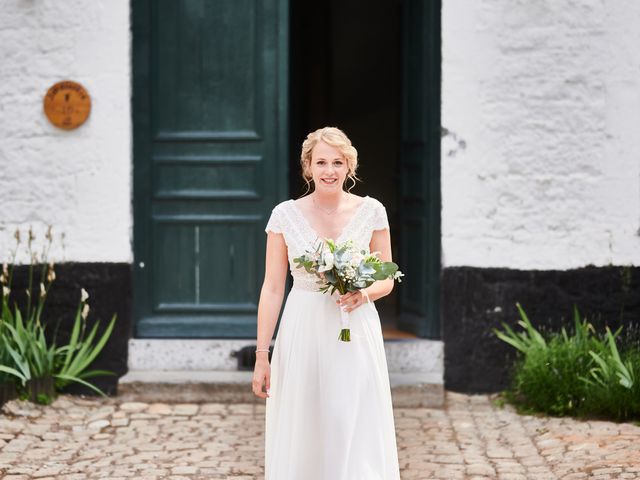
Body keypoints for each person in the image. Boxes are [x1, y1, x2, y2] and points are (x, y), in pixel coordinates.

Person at [253, 126, 401, 479]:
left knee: (350, 412)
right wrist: (262, 355)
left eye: (337, 162)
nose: (329, 170)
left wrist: (363, 293)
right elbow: (273, 288)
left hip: (355, 326)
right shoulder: (284, 215)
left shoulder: (372, 211)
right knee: (305, 415)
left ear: (349, 166)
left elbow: (387, 276)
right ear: (308, 167)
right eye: (321, 162)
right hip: (303, 326)